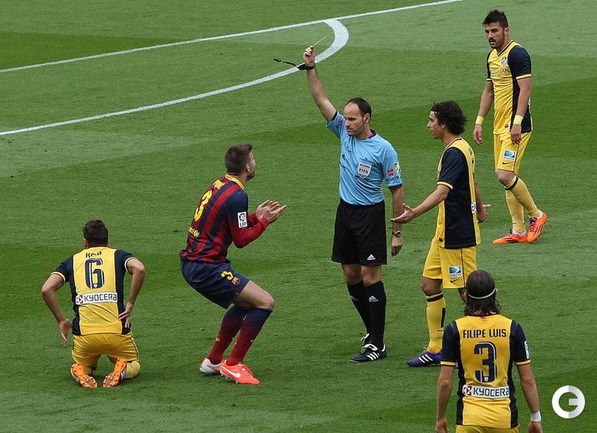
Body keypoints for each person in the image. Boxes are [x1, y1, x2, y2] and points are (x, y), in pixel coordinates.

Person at [303, 45, 405, 362]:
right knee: (350, 274)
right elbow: (321, 99)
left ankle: (378, 344)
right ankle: (371, 332)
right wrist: (311, 68)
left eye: (352, 119)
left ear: (366, 118)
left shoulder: (384, 149)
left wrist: (397, 231)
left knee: (371, 276)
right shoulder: (344, 134)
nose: (346, 123)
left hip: (370, 215)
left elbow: (397, 190)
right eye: (345, 118)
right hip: (345, 212)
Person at [180, 143, 286, 385]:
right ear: (247, 167)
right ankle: (234, 364)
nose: (255, 163)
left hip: (195, 262)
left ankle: (214, 361)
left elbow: (227, 223)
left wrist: (255, 217)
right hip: (206, 268)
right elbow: (241, 239)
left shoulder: (221, 184)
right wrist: (265, 222)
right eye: (253, 159)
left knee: (246, 301)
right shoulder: (238, 195)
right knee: (265, 302)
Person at [393, 101, 488, 367]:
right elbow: (472, 181)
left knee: (469, 293)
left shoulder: (454, 153)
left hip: (457, 235)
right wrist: (480, 208)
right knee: (429, 284)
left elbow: (442, 192)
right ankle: (436, 348)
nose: (428, 125)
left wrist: (414, 213)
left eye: (431, 120)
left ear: (444, 124)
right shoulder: (462, 147)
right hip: (444, 234)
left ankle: (487, 340)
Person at [435, 270, 543, 433]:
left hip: (469, 420)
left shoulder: (454, 329)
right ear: (495, 293)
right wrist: (535, 418)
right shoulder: (512, 328)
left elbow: (445, 381)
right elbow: (527, 380)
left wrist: (440, 417)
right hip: (504, 420)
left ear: (466, 296)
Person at [41, 220, 145, 388]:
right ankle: (124, 367)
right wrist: (131, 302)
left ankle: (80, 370)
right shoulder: (117, 256)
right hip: (116, 332)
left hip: (85, 335)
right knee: (133, 363)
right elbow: (139, 268)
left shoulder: (72, 261)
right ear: (107, 241)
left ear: (85, 242)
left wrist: (61, 320)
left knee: (85, 364)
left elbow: (47, 289)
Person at [473, 9, 547, 245]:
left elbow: (525, 89)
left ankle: (536, 215)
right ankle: (518, 230)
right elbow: (489, 91)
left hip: (517, 127)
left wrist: (517, 123)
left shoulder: (517, 54)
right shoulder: (491, 57)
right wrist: (479, 122)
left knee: (504, 175)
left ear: (506, 30)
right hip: (499, 126)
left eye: (494, 31)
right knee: (508, 177)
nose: (490, 35)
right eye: (487, 32)